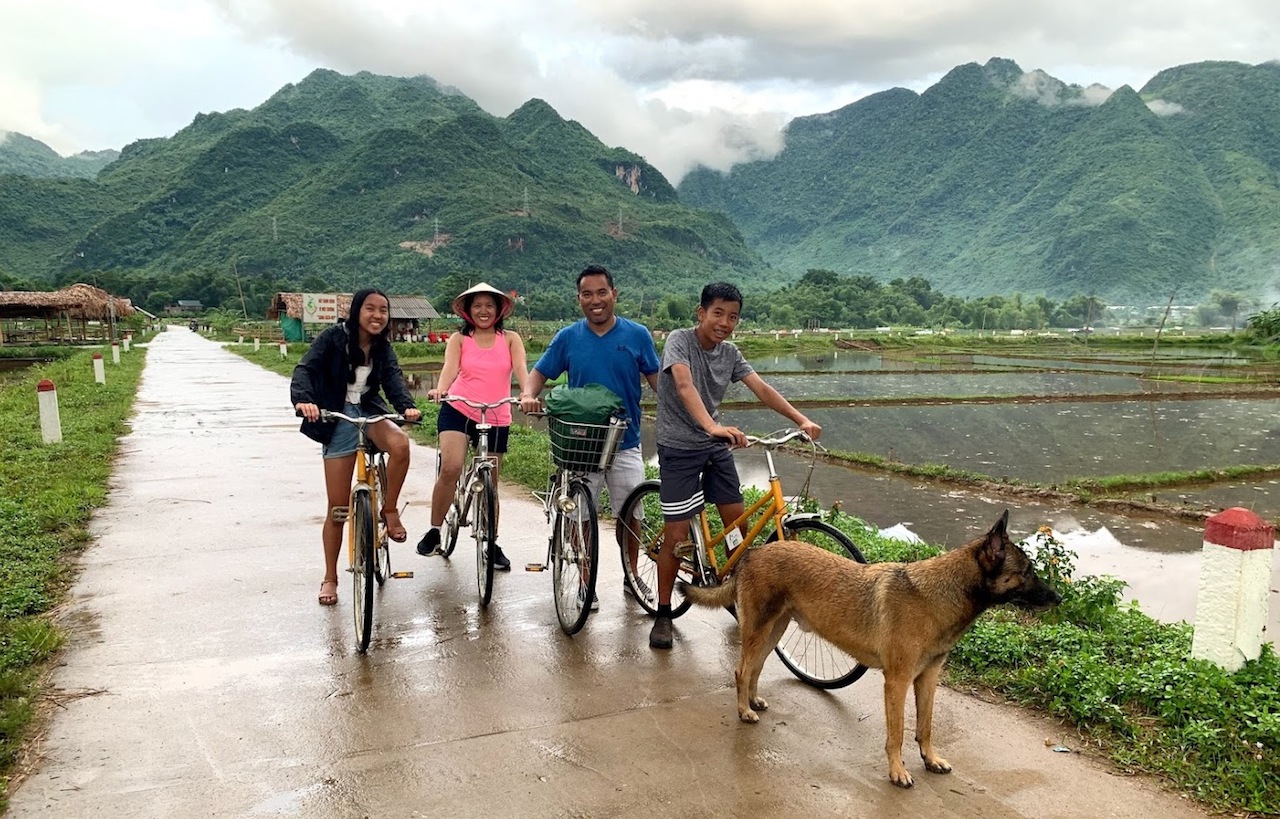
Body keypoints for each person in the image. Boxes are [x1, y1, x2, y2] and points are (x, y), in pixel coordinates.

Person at [649, 282, 821, 649]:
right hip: (679, 447)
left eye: (733, 317)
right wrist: (711, 425)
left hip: (715, 446)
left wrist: (800, 419)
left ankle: (737, 598)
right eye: (718, 314)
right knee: (677, 536)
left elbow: (761, 388)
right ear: (701, 313)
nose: (725, 322)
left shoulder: (730, 353)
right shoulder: (680, 341)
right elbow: (683, 385)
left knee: (737, 529)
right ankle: (663, 611)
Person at [522, 265, 661, 610]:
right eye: (587, 294)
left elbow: (661, 382)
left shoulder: (638, 335)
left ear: (614, 295)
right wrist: (528, 394)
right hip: (581, 441)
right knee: (580, 516)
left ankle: (631, 575)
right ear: (579, 299)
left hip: (624, 440)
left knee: (632, 515)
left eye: (602, 293)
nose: (595, 301)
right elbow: (538, 373)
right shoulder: (568, 337)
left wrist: (684, 412)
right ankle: (586, 580)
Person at [291, 288, 423, 606]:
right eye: (370, 309)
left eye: (383, 310)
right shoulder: (333, 338)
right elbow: (305, 369)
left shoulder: (383, 347)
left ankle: (389, 509)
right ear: (356, 311)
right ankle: (330, 577)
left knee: (401, 445)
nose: (377, 316)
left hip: (368, 411)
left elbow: (392, 378)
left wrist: (406, 407)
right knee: (337, 510)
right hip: (336, 415)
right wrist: (304, 400)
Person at [416, 282, 535, 570]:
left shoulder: (510, 339)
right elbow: (450, 369)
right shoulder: (459, 339)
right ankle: (434, 531)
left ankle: (490, 542)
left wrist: (527, 393)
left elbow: (521, 369)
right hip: (459, 408)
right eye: (477, 306)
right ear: (468, 311)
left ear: (499, 310)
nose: (484, 311)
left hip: (496, 414)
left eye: (489, 306)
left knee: (491, 483)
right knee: (452, 467)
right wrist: (440, 389)